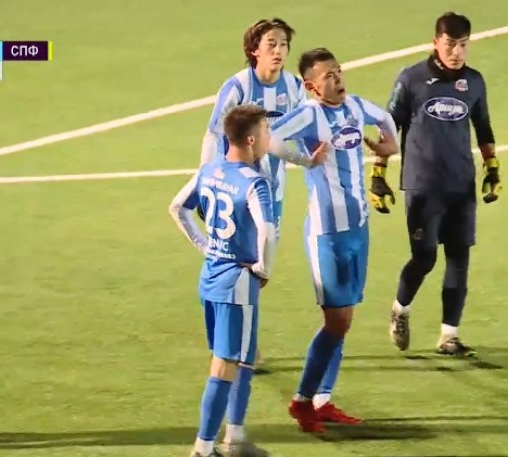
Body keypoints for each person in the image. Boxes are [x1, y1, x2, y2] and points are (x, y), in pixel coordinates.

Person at [268, 47, 399, 433]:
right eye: (329, 75)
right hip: (327, 234)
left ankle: (322, 400)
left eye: (339, 71)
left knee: (345, 320)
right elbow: (270, 138)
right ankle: (302, 401)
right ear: (311, 86)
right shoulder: (310, 114)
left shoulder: (355, 106)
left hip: (358, 227)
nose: (338, 78)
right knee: (336, 322)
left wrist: (388, 146)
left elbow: (386, 118)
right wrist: (305, 160)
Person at [383, 12, 501, 357]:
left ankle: (449, 336)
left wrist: (492, 169)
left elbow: (484, 127)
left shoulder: (474, 82)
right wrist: (378, 174)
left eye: (463, 45)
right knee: (424, 257)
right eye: (450, 44)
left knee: (459, 258)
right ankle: (400, 309)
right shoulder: (411, 78)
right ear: (435, 42)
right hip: (422, 185)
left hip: (461, 184)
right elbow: (389, 126)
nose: (457, 52)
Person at [200, 17, 314, 372]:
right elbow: (212, 134)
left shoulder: (294, 87)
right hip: (235, 191)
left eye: (283, 45)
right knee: (235, 264)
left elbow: (299, 133)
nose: (279, 51)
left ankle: (234, 338)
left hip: (271, 191)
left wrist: (309, 161)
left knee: (259, 268)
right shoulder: (237, 86)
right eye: (271, 45)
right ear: (254, 50)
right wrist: (206, 180)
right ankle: (237, 342)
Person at [170, 105, 283, 456]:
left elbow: (177, 208)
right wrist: (263, 269)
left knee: (242, 357)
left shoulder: (210, 170)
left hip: (212, 276)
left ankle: (235, 437)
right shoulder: (254, 182)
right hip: (237, 281)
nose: (268, 137)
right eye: (265, 131)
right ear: (250, 140)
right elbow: (267, 230)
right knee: (225, 364)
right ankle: (203, 449)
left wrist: (206, 246)